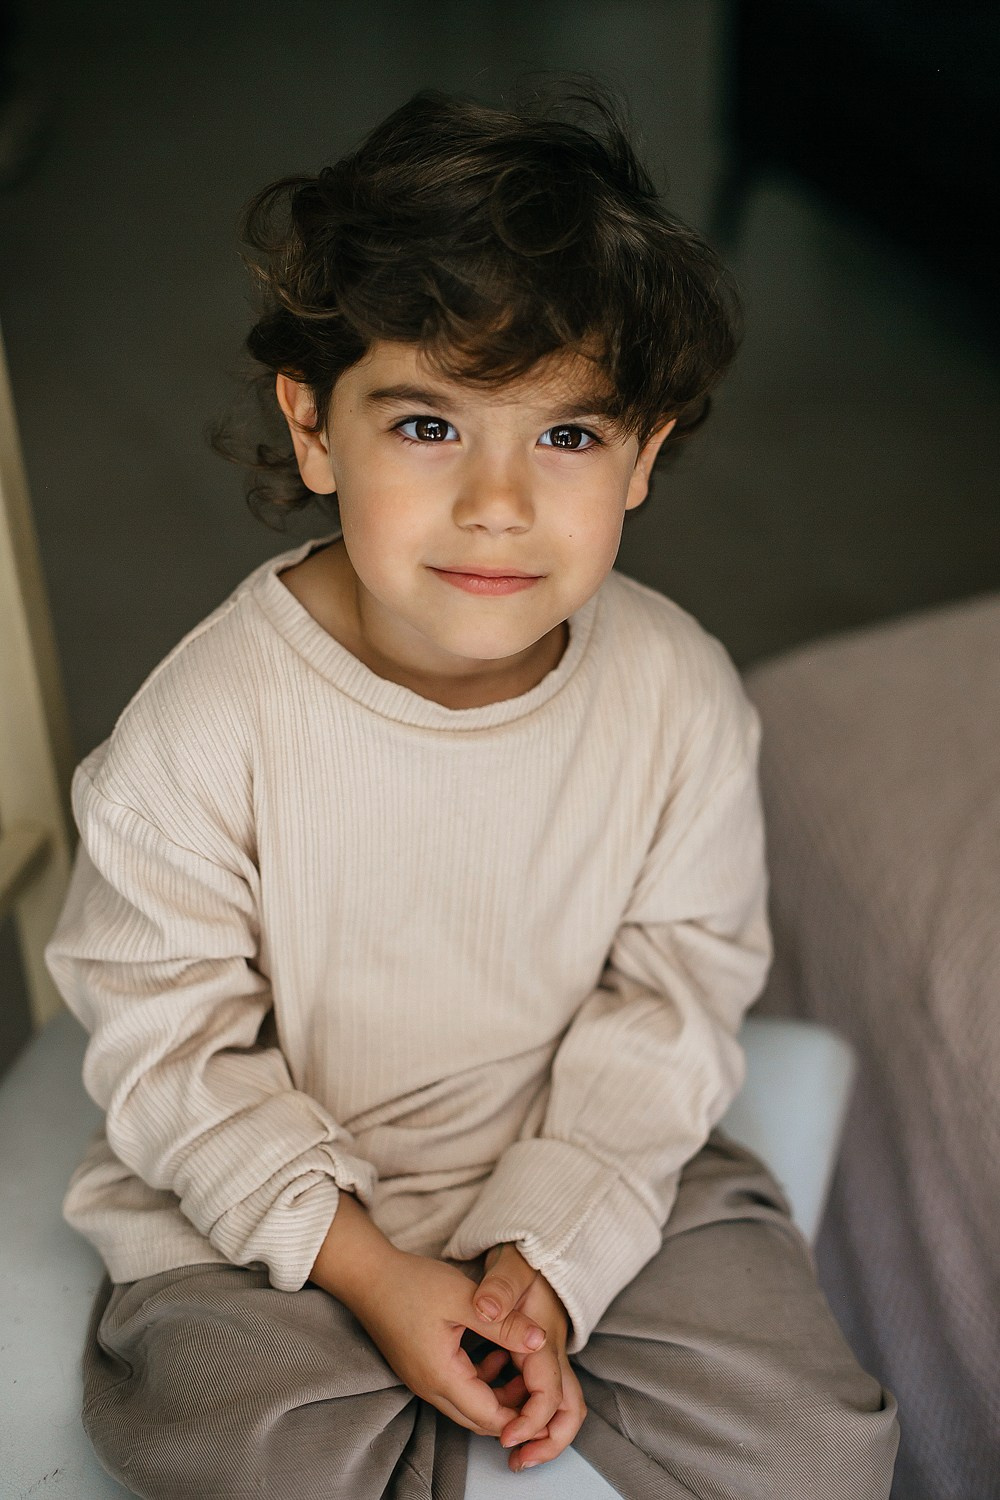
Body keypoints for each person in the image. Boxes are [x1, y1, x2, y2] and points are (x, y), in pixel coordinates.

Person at [45, 81, 899, 1499]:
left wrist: (542, 1266)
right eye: (430, 425)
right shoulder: (200, 735)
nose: (497, 501)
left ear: (648, 452)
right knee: (236, 1436)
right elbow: (166, 1047)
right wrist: (374, 1273)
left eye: (566, 435)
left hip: (581, 1149)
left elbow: (673, 996)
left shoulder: (678, 695)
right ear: (315, 427)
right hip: (283, 1208)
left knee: (819, 1442)